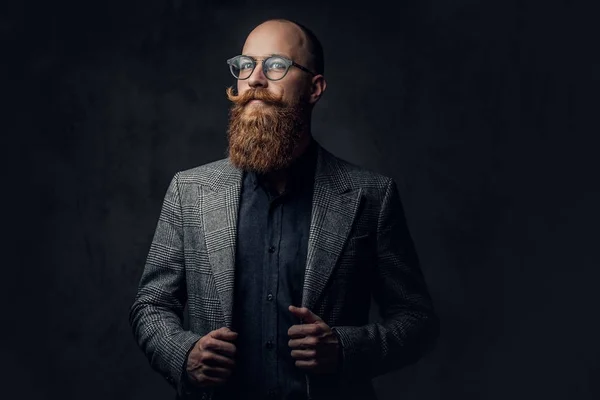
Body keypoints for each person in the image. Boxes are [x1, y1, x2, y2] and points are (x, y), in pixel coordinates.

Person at [129, 18, 439, 400]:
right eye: (245, 65)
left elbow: (418, 321)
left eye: (276, 65)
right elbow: (151, 306)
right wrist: (185, 353)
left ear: (315, 88)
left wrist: (344, 348)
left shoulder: (370, 196)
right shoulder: (189, 191)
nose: (255, 78)